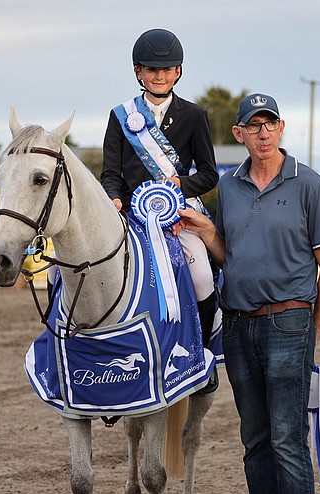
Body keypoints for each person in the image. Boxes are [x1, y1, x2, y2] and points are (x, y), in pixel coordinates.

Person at [176, 93, 320, 494]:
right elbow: (230, 257)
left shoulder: (308, 183)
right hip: (239, 325)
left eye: (270, 124)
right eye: (254, 125)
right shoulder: (228, 188)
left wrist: (311, 334)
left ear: (282, 128)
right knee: (255, 444)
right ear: (240, 135)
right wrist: (207, 232)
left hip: (289, 323)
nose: (264, 133)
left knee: (289, 445)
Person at [101, 28, 219, 348]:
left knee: (202, 277)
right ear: (138, 71)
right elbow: (110, 172)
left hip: (178, 215)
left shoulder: (195, 116)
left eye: (167, 69)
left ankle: (201, 353)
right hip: (129, 213)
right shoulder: (120, 116)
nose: (159, 76)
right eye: (152, 69)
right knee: (69, 271)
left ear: (178, 72)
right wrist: (113, 198)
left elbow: (209, 174)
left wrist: (181, 183)